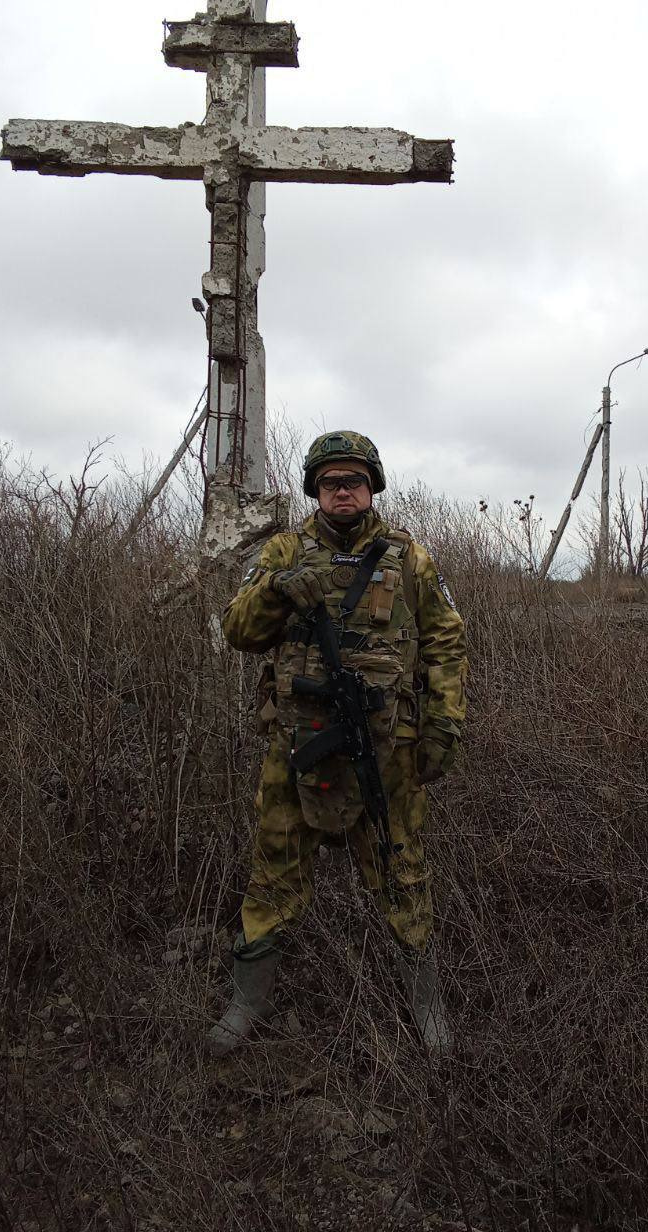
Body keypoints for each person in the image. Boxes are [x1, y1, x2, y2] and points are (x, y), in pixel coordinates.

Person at [208, 431, 467, 1056]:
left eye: (353, 480)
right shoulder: (282, 552)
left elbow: (445, 643)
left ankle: (424, 1002)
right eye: (330, 482)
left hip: (387, 750)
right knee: (273, 872)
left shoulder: (409, 558)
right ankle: (248, 1002)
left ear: (371, 486)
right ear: (315, 491)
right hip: (298, 748)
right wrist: (276, 592)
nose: (342, 490)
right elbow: (236, 630)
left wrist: (443, 724)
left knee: (402, 870)